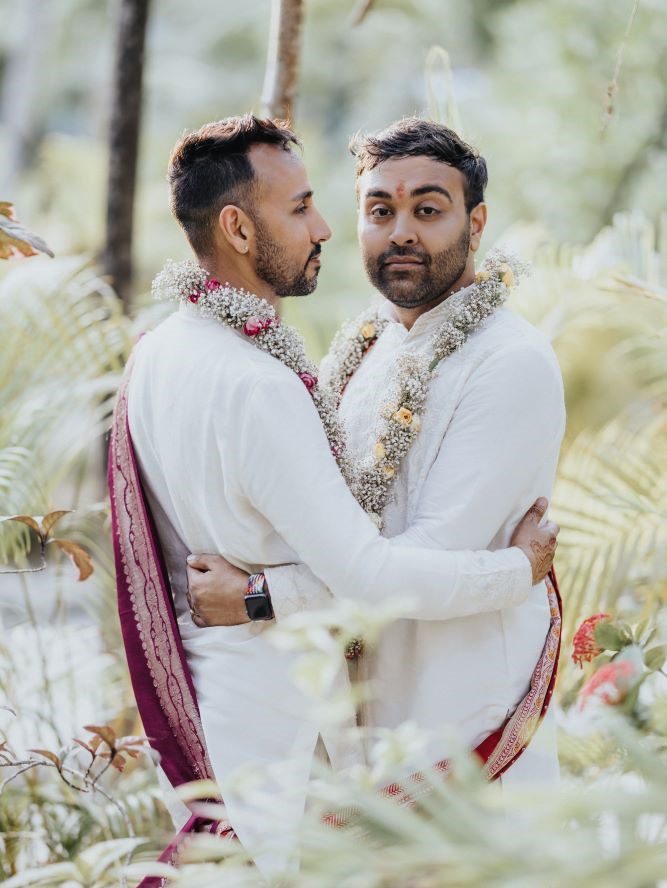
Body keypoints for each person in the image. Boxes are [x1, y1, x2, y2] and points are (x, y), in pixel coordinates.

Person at [108, 114, 559, 876]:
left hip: (465, 729)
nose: (400, 231)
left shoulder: (508, 363)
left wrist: (260, 598)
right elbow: (344, 541)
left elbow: (417, 557)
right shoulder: (360, 350)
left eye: (427, 208)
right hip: (357, 745)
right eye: (379, 209)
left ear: (476, 223)